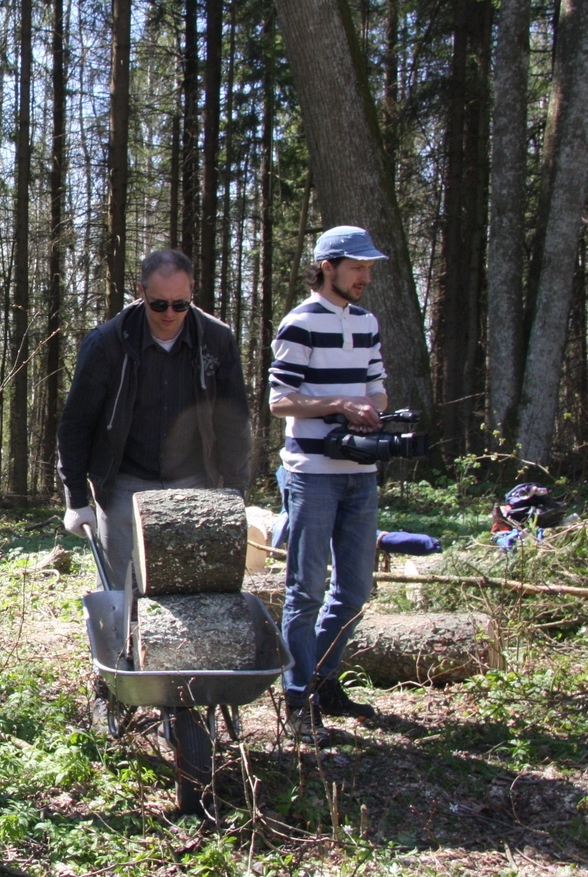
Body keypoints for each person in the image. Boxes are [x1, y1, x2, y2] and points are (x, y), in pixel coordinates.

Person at [58, 249, 251, 582]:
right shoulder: (107, 344)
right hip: (122, 484)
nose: (170, 313)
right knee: (122, 590)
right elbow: (75, 425)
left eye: (180, 304)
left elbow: (234, 421)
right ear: (141, 291)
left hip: (193, 484)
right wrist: (75, 499)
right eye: (159, 304)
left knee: (188, 586)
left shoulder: (216, 340)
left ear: (192, 291)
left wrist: (235, 491)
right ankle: (126, 635)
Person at [269, 225, 389, 745]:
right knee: (304, 590)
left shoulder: (366, 322)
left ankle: (324, 679)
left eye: (368, 268)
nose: (365, 276)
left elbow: (377, 392)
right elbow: (279, 400)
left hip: (361, 475)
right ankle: (296, 699)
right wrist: (339, 405)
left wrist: (369, 411)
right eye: (356, 267)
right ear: (328, 266)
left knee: (355, 591)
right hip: (310, 475)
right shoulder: (299, 323)